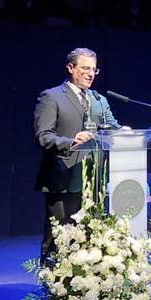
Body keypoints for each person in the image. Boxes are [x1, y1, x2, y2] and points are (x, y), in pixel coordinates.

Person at [33, 47, 122, 263]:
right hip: (63, 178)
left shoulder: (99, 99)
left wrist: (124, 132)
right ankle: (52, 288)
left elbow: (112, 127)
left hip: (94, 180)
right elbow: (42, 136)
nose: (90, 74)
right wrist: (71, 142)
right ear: (70, 68)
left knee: (90, 239)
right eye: (85, 68)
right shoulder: (51, 96)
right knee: (59, 238)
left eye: (94, 69)